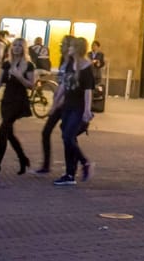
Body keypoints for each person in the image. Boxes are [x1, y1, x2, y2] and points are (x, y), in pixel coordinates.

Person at [0, 37, 36, 177]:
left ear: (24, 48)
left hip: (19, 101)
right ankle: (23, 159)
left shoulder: (29, 65)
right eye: (14, 45)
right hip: (6, 101)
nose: (16, 47)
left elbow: (31, 85)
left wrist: (19, 76)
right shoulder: (7, 64)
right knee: (9, 134)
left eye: (19, 45)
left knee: (2, 132)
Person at [55, 37, 97, 186]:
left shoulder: (86, 67)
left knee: (68, 136)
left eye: (71, 47)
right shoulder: (69, 64)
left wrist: (87, 110)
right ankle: (69, 174)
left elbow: (88, 90)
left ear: (77, 48)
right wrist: (56, 102)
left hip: (78, 108)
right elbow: (64, 85)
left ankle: (85, 163)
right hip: (68, 105)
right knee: (67, 138)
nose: (68, 49)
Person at [33, 36, 78, 175]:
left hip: (68, 103)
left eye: (63, 44)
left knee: (68, 136)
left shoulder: (74, 63)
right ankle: (46, 165)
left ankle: (72, 168)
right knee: (46, 132)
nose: (60, 46)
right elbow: (61, 83)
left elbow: (71, 85)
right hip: (59, 103)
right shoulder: (62, 61)